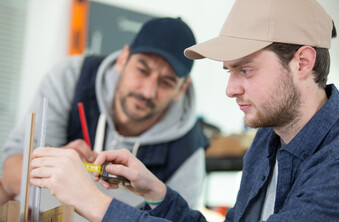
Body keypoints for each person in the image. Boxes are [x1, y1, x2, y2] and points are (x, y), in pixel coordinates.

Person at [29, 0, 339, 222]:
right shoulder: (267, 141)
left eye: (246, 69)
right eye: (230, 72)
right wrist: (158, 194)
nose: (231, 89)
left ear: (302, 63)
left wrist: (95, 204)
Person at [1, 17, 209, 211]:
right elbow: (8, 175)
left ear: (182, 90)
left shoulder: (188, 152)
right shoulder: (70, 79)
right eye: (142, 70)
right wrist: (53, 165)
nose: (148, 92)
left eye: (166, 82)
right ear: (122, 59)